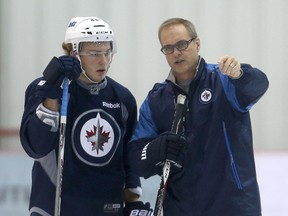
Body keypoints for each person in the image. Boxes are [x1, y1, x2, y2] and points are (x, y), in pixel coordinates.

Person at [128, 17, 269, 216]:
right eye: (168, 48)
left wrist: (240, 74)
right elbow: (136, 159)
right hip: (180, 209)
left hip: (233, 207)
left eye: (182, 44)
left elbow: (258, 86)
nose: (176, 52)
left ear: (197, 43)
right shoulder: (155, 101)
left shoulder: (223, 80)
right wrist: (155, 149)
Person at [20, 16, 152, 216]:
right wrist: (52, 92)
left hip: (107, 209)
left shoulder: (123, 98)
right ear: (74, 53)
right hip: (54, 208)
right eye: (94, 53)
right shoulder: (46, 87)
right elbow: (36, 147)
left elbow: (128, 157)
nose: (104, 61)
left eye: (107, 52)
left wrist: (132, 201)